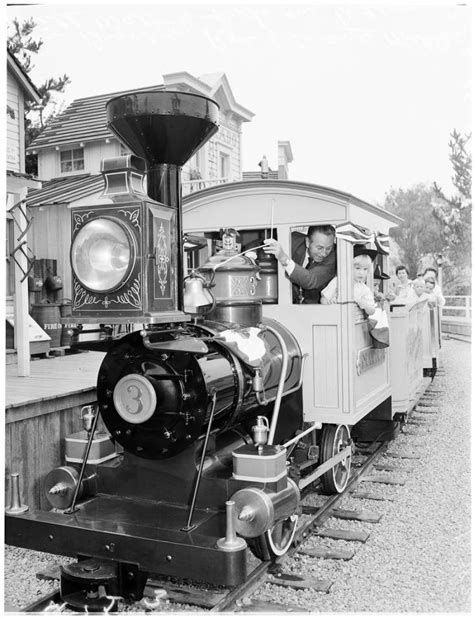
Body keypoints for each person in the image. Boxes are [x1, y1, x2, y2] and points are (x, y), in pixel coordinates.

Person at [263, 225, 336, 304]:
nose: (324, 253)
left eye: (328, 248)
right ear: (307, 242)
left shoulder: (334, 256)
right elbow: (260, 243)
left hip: (314, 310)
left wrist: (284, 259)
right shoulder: (293, 240)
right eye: (319, 248)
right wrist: (251, 256)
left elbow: (310, 280)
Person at [320, 244, 378, 316]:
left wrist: (362, 303)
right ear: (348, 267)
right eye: (357, 268)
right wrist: (329, 306)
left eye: (365, 269)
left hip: (355, 322)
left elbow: (372, 311)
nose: (361, 272)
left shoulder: (364, 289)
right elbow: (324, 299)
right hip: (335, 319)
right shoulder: (337, 281)